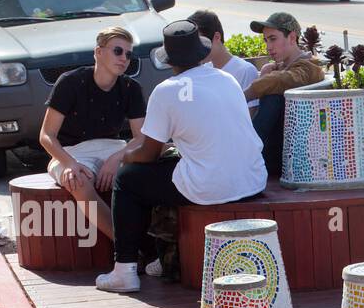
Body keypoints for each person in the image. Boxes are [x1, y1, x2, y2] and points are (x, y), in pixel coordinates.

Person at [97, 20, 267, 293]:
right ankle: (161, 260)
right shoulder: (227, 79)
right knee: (171, 170)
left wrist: (125, 157)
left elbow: (148, 153)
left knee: (127, 180)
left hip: (213, 185)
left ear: (170, 60)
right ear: (200, 54)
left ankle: (125, 269)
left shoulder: (167, 90)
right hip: (253, 179)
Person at [38, 25, 145, 248]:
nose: (124, 58)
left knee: (148, 172)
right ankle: (128, 247)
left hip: (114, 148)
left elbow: (141, 137)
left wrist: (117, 158)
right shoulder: (70, 82)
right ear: (99, 52)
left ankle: (155, 241)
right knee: (77, 181)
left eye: (128, 54)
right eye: (118, 51)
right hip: (72, 151)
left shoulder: (130, 87)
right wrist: (69, 163)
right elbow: (47, 135)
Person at [245, 13, 325, 179]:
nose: (268, 46)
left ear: (292, 37)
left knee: (273, 96)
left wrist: (244, 95)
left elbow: (284, 80)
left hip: (299, 158)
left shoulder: (309, 66)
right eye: (266, 40)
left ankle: (245, 154)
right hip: (275, 152)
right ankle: (245, 152)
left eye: (273, 39)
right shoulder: (279, 68)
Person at [187, 9, 259, 110]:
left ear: (217, 37)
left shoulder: (245, 71)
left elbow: (250, 116)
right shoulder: (203, 70)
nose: (196, 49)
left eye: (200, 42)